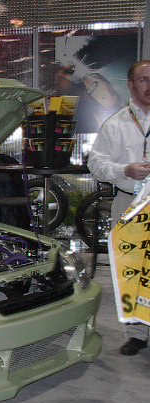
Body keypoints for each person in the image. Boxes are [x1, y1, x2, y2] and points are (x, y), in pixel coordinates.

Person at [88, 59, 150, 356]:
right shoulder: (116, 124)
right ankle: (137, 333)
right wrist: (124, 170)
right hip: (130, 203)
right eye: (143, 79)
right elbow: (95, 163)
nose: (149, 85)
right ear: (131, 85)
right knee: (131, 270)